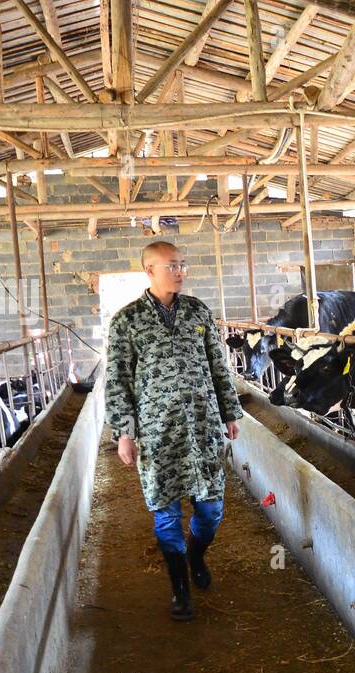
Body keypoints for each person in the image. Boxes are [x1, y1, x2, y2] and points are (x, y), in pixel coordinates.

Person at [105, 240, 244, 621]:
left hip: (202, 429)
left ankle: (196, 554)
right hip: (157, 432)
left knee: (211, 507)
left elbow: (220, 366)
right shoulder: (126, 321)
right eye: (171, 266)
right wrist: (124, 432)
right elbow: (117, 380)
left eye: (182, 264)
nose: (180, 271)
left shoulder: (198, 312)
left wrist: (230, 412)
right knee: (165, 514)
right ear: (149, 270)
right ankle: (180, 589)